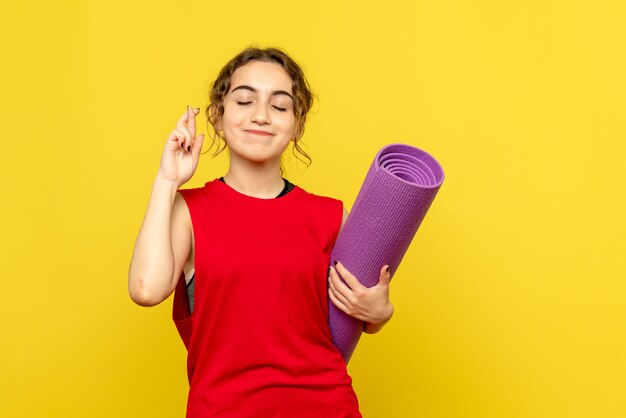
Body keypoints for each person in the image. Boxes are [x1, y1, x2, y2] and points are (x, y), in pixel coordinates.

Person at [128, 47, 394, 417]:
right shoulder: (187, 211)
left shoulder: (331, 215)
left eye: (280, 106)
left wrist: (380, 313)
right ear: (218, 118)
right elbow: (146, 289)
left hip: (325, 405)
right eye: (244, 100)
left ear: (297, 124)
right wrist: (167, 180)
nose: (261, 115)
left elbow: (360, 312)